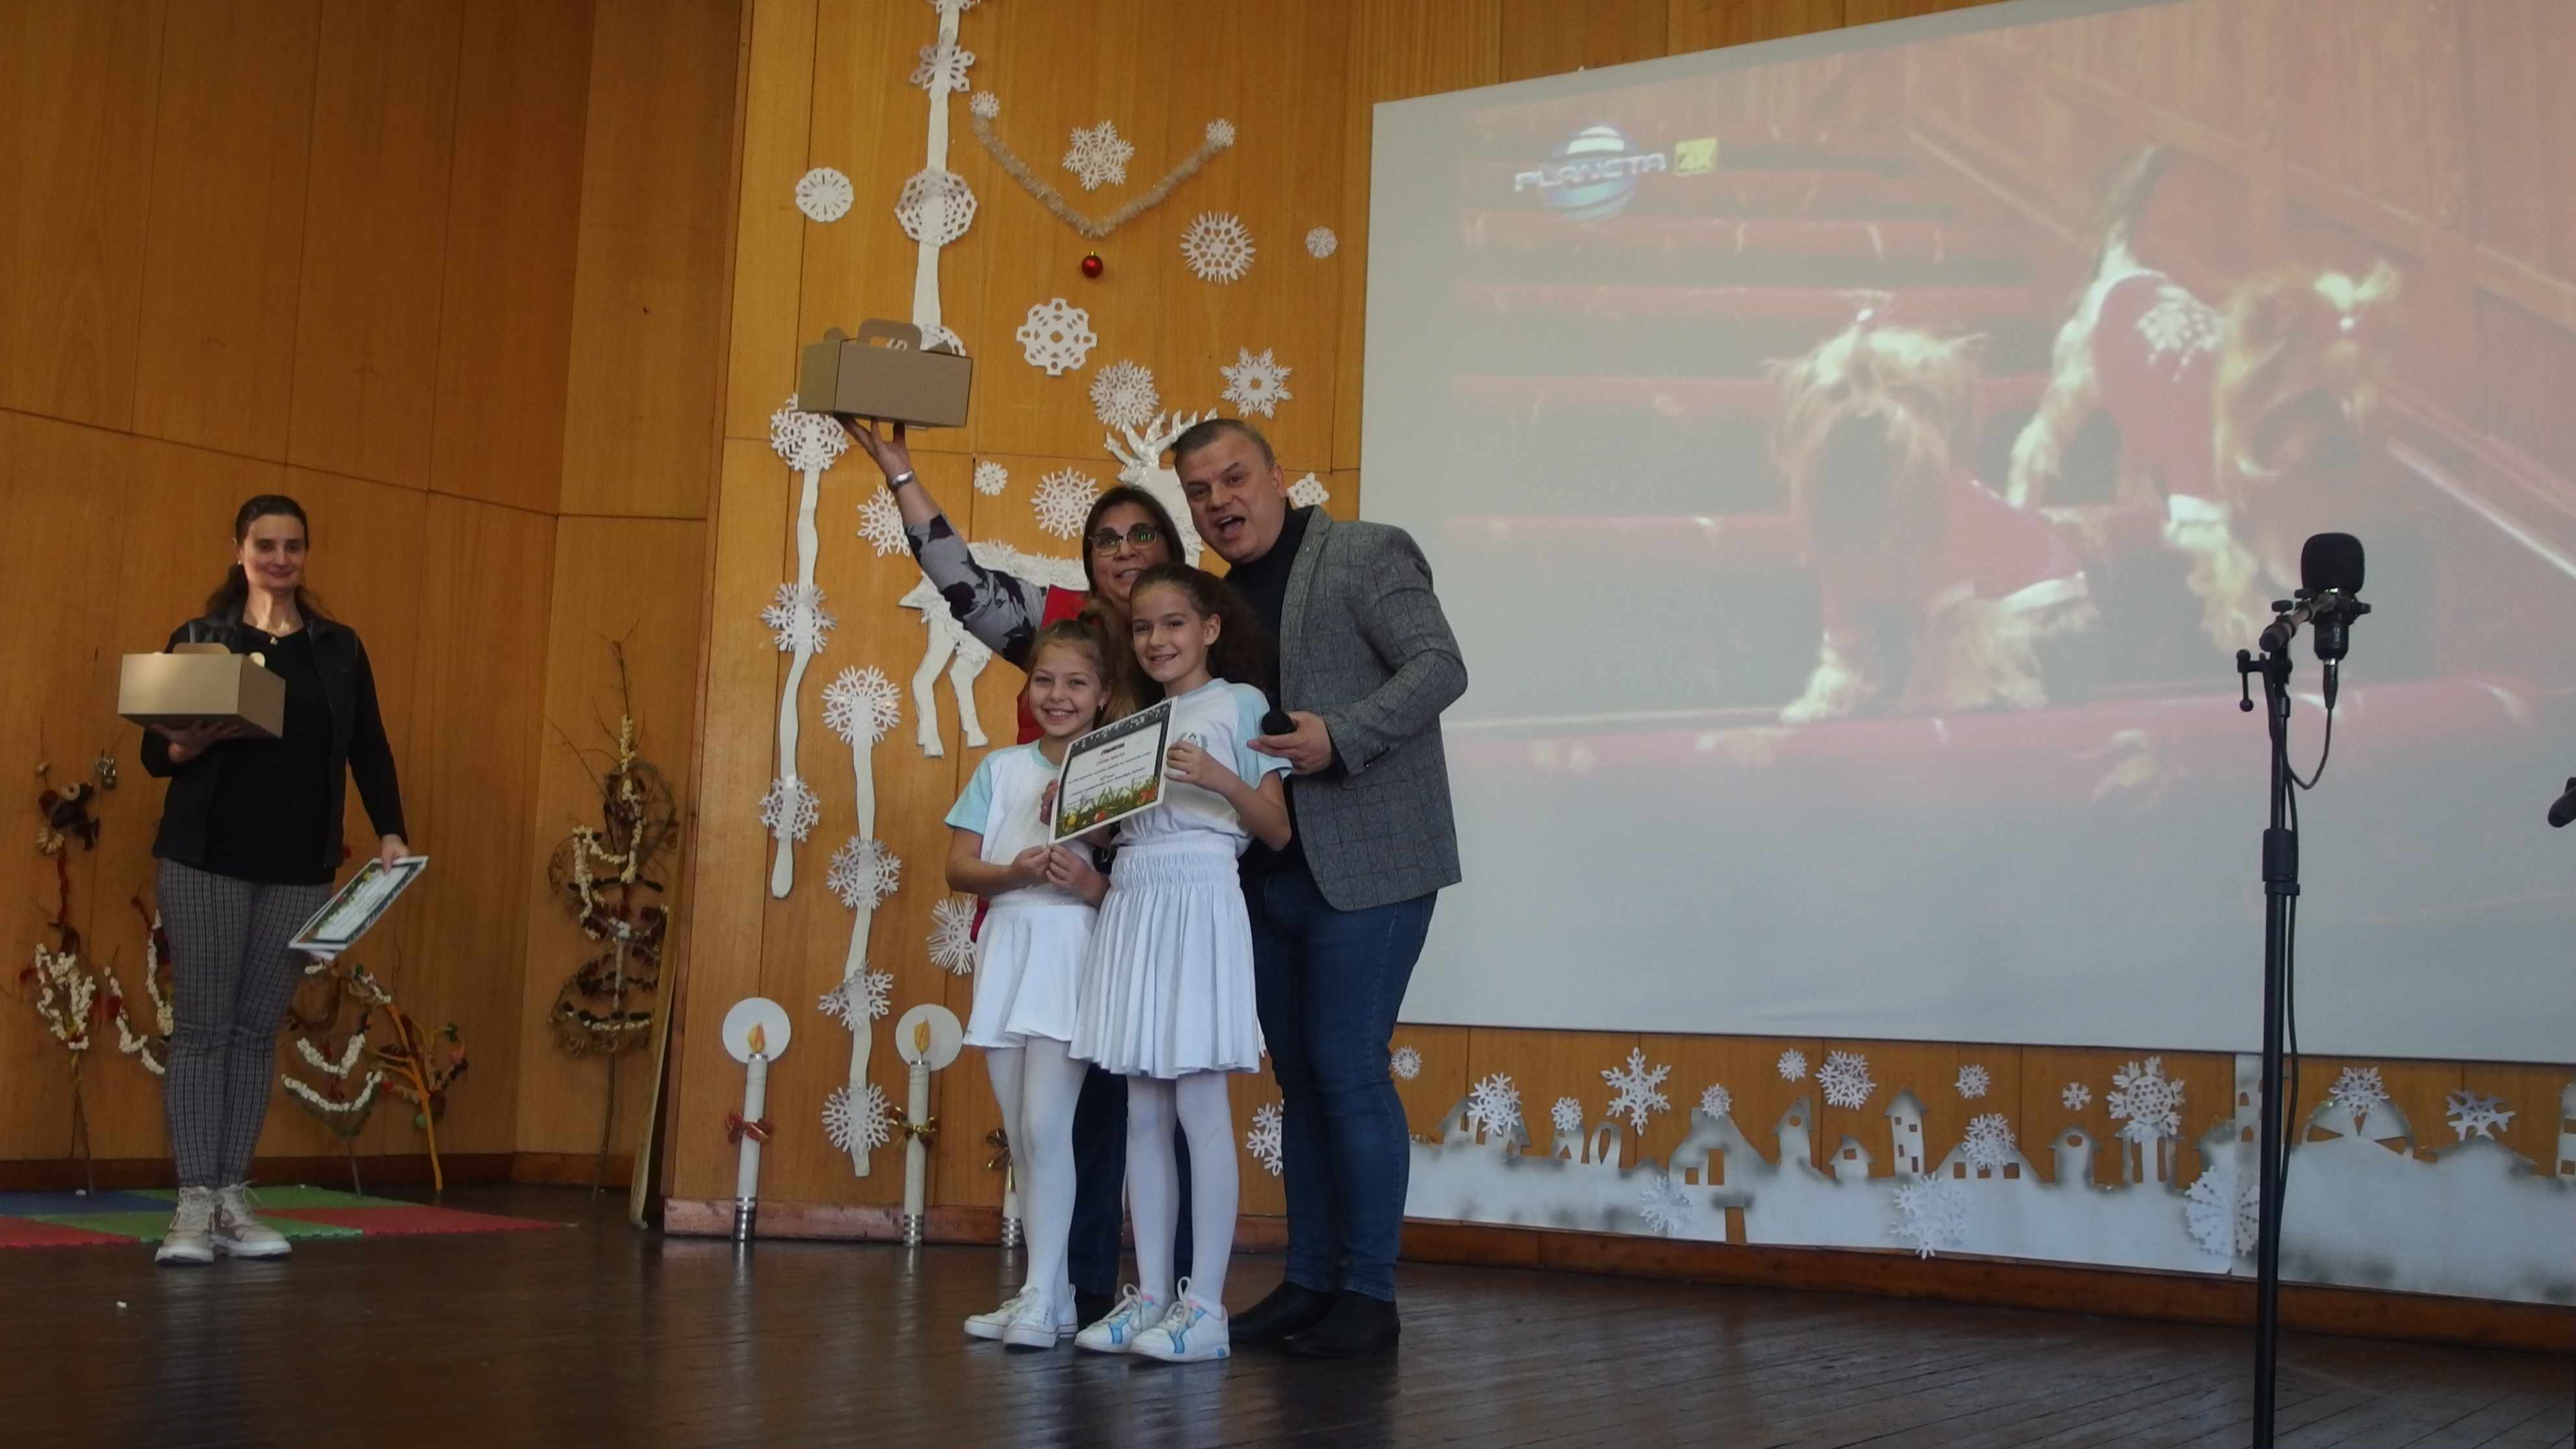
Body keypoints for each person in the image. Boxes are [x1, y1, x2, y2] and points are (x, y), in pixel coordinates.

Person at [843, 419, 1187, 1325]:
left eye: (1141, 535)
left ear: (1171, 549)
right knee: (1051, 1125)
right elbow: (960, 580)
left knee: (1153, 1112)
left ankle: (1168, 1295)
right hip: (1043, 919)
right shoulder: (1057, 622)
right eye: (1106, 538)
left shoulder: (1192, 639)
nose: (1123, 551)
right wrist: (900, 473)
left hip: (1147, 908)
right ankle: (1065, 1290)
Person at [1172, 417, 1467, 1358]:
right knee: (1300, 1080)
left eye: (1234, 478)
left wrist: (1341, 735)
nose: (1219, 502)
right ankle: (1310, 1282)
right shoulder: (1211, 600)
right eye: (1199, 492)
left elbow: (1441, 666)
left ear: (1277, 475)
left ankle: (1368, 1294)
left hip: (1371, 860)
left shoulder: (1365, 552)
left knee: (1346, 1065)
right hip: (1263, 874)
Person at [140, 495, 410, 1266]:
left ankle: (232, 1200)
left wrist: (391, 831)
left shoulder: (338, 647)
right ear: (239, 550)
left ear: (305, 553)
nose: (280, 558)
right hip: (206, 859)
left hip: (298, 866)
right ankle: (192, 1207)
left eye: (293, 545)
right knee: (203, 1031)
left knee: (256, 1034)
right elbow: (156, 756)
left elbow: (369, 747)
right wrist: (188, 745)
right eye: (266, 544)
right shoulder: (202, 639)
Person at [1069, 564, 1289, 1364]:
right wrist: (1078, 812)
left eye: (1173, 623)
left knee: (1198, 1101)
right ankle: (1153, 1295)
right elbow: (1109, 830)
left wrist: (1218, 776)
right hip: (1135, 896)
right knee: (1142, 1110)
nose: (1156, 640)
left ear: (1210, 628)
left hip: (1199, 890)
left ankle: (1205, 1308)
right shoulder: (1134, 724)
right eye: (1142, 627)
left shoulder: (1238, 703)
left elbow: (1275, 830)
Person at [947, 619, 1119, 1348]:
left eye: (1076, 682)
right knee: (1020, 1130)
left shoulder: (1115, 769)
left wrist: (1084, 871)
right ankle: (1044, 1293)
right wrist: (1014, 872)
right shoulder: (1000, 768)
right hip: (1007, 946)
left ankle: (1046, 1294)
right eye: (1045, 680)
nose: (1058, 695)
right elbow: (959, 868)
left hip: (1066, 948)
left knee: (1048, 1126)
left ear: (1103, 694)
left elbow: (1126, 875)